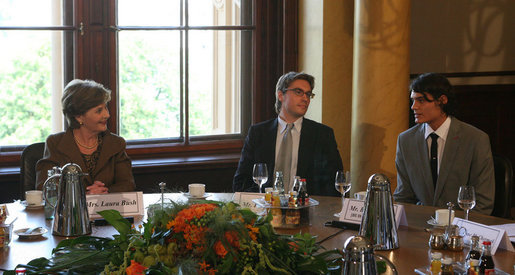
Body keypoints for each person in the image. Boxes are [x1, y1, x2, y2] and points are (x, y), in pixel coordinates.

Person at [393, 73, 494, 214]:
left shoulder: (475, 139)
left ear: (442, 100)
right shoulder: (406, 140)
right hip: (420, 226)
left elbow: (483, 203)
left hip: (462, 229)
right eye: (413, 101)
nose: (413, 107)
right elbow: (403, 197)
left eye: (421, 100)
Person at [233, 72, 343, 196]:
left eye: (308, 94)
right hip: (265, 209)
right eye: (298, 92)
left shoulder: (322, 134)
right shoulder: (258, 133)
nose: (305, 98)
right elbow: (241, 181)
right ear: (281, 95)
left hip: (307, 210)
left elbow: (335, 183)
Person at [36, 79, 135, 194]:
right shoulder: (55, 143)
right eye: (99, 111)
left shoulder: (116, 143)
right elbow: (45, 187)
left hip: (107, 210)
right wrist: (84, 195)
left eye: (106, 108)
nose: (107, 115)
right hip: (70, 211)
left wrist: (105, 191)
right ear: (79, 117)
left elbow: (128, 184)